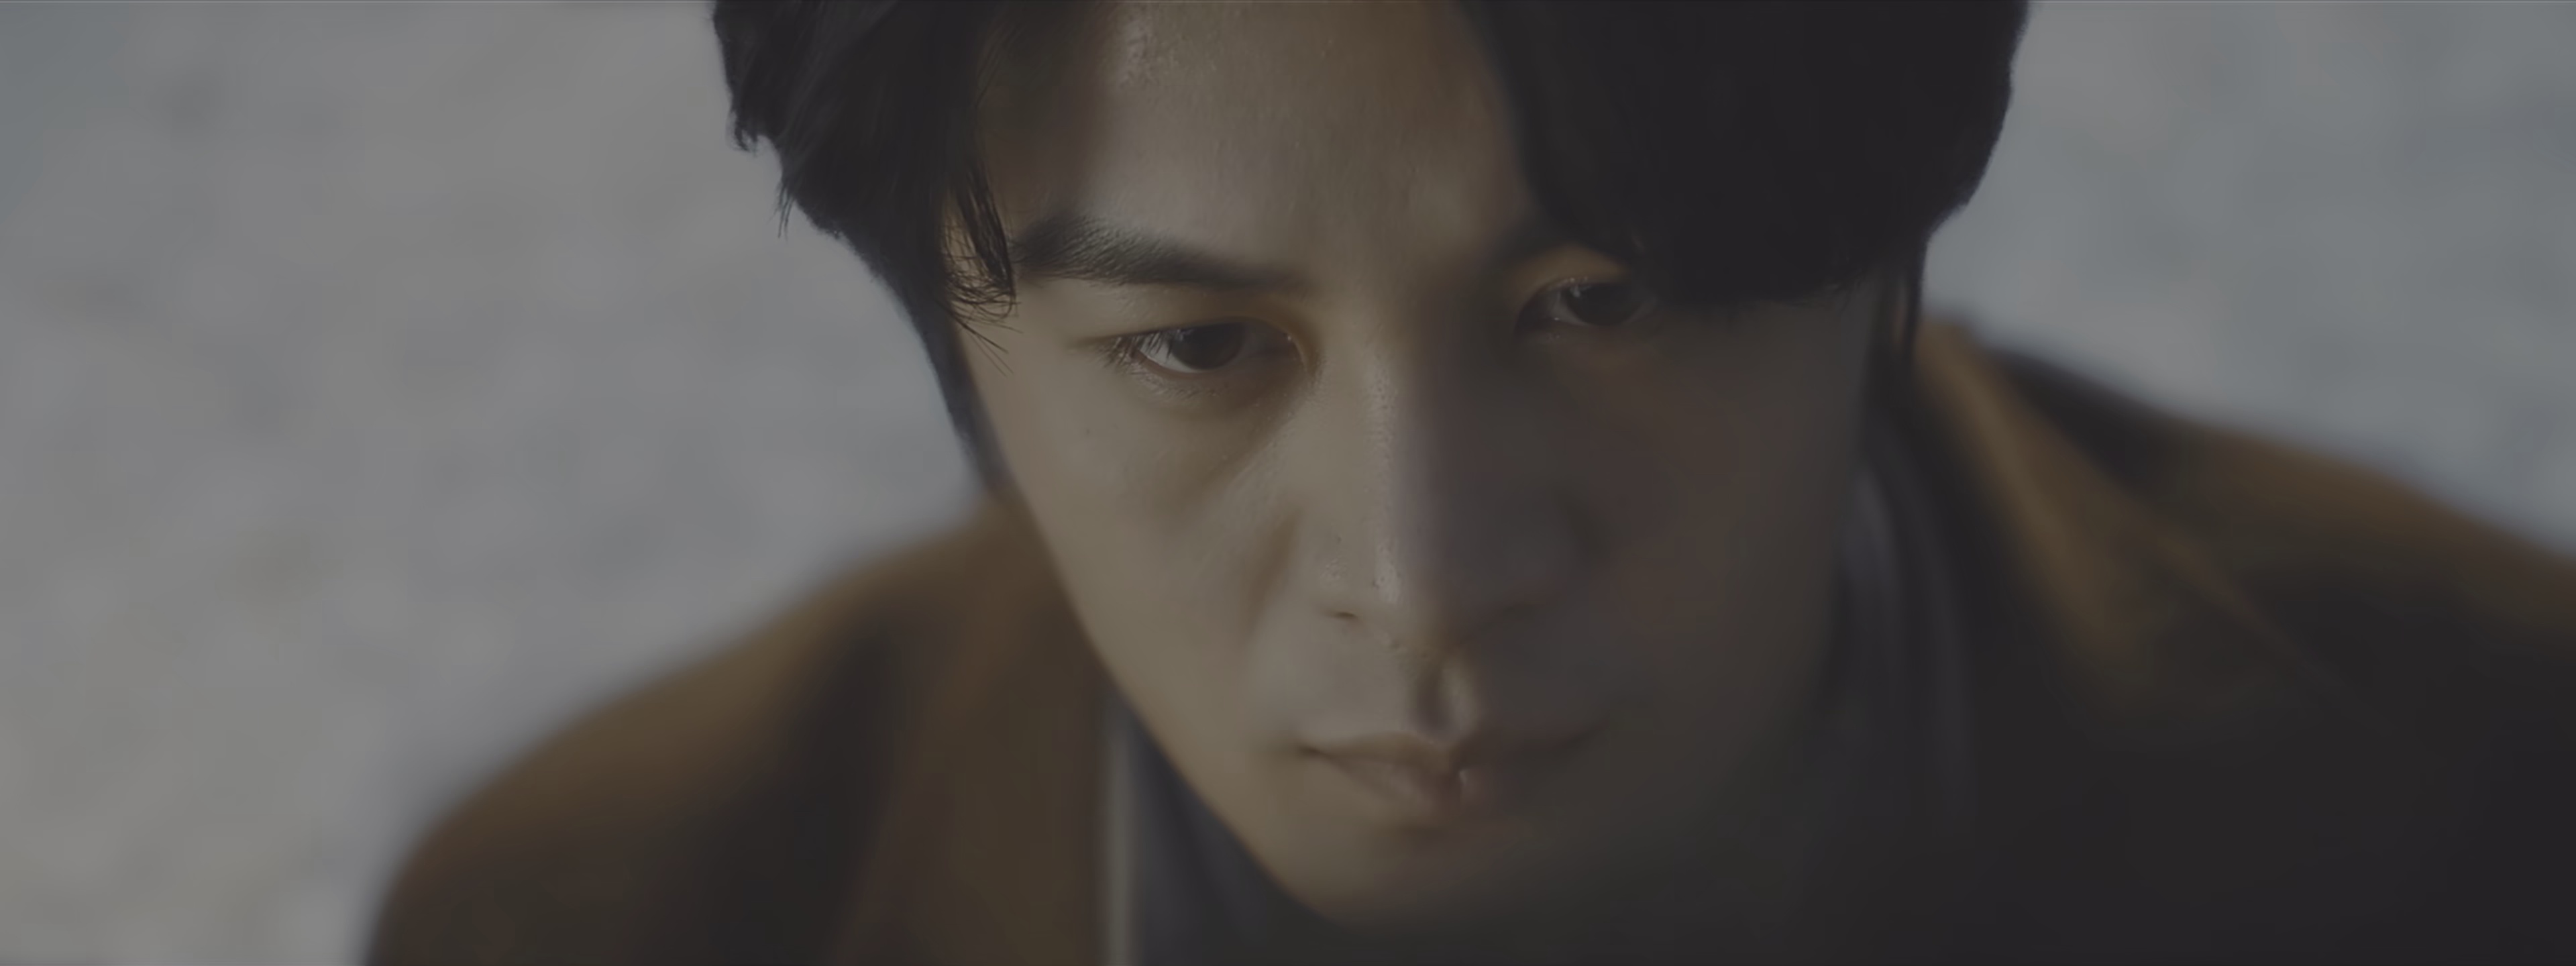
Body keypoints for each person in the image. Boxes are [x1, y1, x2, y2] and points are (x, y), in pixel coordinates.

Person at [368, 2, 2576, 963]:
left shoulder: (2494, 778)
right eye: (1199, 350)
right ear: (961, 345)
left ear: (1880, 239)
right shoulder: (623, 919)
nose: (1425, 578)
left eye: (1603, 301)